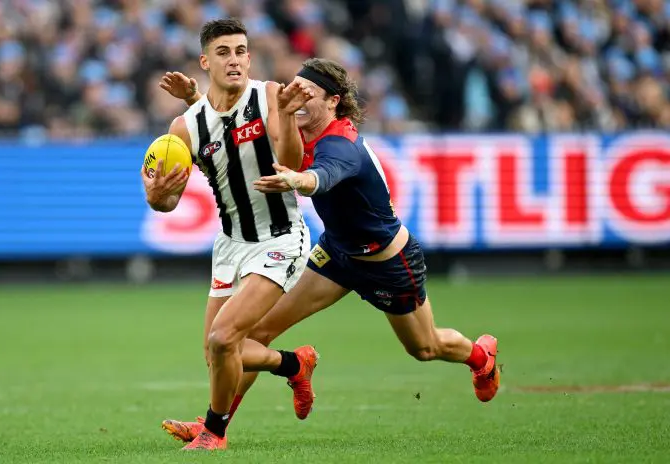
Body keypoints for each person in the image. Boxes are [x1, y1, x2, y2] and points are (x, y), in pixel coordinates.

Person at [160, 57, 501, 444]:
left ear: (333, 102)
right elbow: (232, 128)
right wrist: (195, 98)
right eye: (293, 90)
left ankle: (480, 356)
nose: (295, 98)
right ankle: (215, 425)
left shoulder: (341, 143)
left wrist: (298, 179)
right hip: (336, 255)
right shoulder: (293, 125)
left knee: (425, 347)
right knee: (254, 332)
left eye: (308, 94)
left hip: (388, 262)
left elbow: (322, 177)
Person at [141, 19, 322, 451]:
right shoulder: (185, 128)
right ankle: (295, 364)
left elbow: (291, 162)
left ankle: (213, 434)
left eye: (241, 51)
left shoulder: (269, 97)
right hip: (230, 244)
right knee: (216, 351)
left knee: (225, 339)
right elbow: (167, 204)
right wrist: (155, 196)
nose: (235, 60)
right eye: (223, 52)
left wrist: (285, 117)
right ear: (206, 62)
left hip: (280, 237)